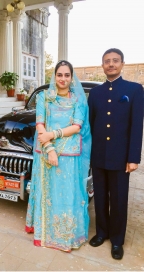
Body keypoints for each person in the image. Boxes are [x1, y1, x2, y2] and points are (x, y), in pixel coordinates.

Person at [25, 60, 91, 252]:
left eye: (67, 75)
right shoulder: (44, 97)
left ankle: (64, 235)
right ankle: (44, 232)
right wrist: (50, 149)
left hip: (70, 155)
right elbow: (40, 124)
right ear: (54, 76)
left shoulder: (78, 100)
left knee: (66, 193)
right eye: (59, 75)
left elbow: (77, 126)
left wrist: (53, 135)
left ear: (72, 77)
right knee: (48, 193)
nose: (63, 79)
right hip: (46, 153)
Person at [88, 48, 143, 260]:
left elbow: (137, 126)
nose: (111, 64)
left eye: (115, 61)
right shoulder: (95, 93)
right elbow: (91, 125)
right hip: (99, 155)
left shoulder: (135, 90)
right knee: (100, 197)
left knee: (119, 199)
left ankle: (117, 240)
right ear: (102, 65)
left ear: (122, 64)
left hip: (121, 158)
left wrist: (133, 157)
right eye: (107, 61)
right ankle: (102, 233)